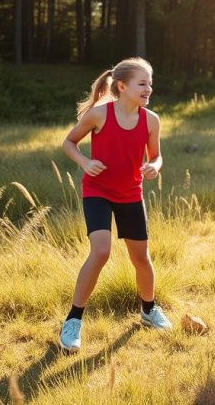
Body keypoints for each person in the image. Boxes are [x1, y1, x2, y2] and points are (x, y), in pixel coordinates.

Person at [59, 57, 172, 353]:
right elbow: (69, 142)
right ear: (122, 86)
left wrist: (154, 167)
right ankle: (73, 319)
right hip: (97, 190)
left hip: (131, 193)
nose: (149, 88)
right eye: (142, 83)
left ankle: (148, 310)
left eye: (150, 83)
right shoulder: (99, 114)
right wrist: (84, 162)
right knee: (101, 251)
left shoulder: (151, 120)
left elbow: (157, 156)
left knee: (141, 258)